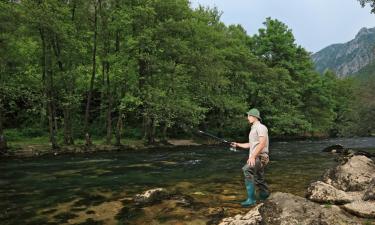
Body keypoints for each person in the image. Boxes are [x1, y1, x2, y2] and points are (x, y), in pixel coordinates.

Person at [231, 108, 270, 207]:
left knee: (247, 169)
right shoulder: (254, 128)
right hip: (258, 156)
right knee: (259, 178)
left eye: (249, 116)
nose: (247, 118)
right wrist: (238, 144)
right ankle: (264, 195)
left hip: (260, 156)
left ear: (254, 117)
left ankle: (251, 199)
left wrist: (253, 156)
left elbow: (262, 144)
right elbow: (251, 144)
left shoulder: (261, 127)